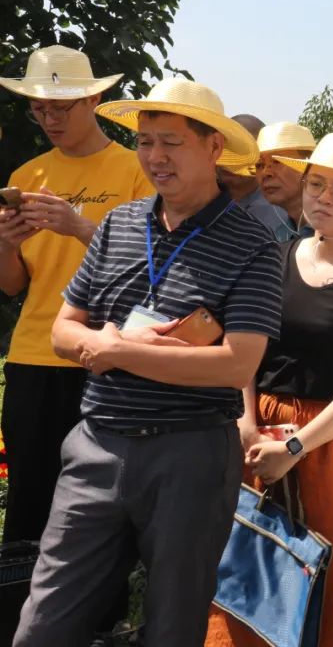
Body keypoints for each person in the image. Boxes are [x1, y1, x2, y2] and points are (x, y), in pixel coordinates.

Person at [13, 77, 283, 646]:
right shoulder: (118, 224)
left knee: (172, 626)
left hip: (190, 456)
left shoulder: (254, 244)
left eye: (171, 143)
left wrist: (119, 351)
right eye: (145, 142)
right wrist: (116, 347)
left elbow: (237, 365)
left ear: (213, 148)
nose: (155, 157)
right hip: (97, 446)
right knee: (43, 623)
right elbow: (63, 330)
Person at [0, 45, 154, 641]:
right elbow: (14, 285)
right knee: (30, 496)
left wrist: (80, 226)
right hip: (33, 355)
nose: (49, 118)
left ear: (94, 99)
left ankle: (99, 623)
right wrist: (7, 244)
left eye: (61, 106)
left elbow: (151, 268)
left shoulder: (135, 170)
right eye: (39, 107)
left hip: (105, 356)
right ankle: (20, 617)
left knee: (101, 502)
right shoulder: (26, 176)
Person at [204, 133, 333, 646]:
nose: (324, 197)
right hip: (256, 430)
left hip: (331, 440)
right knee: (243, 564)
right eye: (316, 184)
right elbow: (245, 346)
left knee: (320, 571)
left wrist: (296, 446)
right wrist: (245, 421)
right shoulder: (272, 256)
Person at [216, 113, 286, 235]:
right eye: (226, 148)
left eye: (242, 151)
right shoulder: (196, 202)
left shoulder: (278, 215)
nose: (230, 161)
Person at [254, 121, 317, 241]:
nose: (266, 173)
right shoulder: (276, 238)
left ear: (307, 167)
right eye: (259, 165)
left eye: (277, 162)